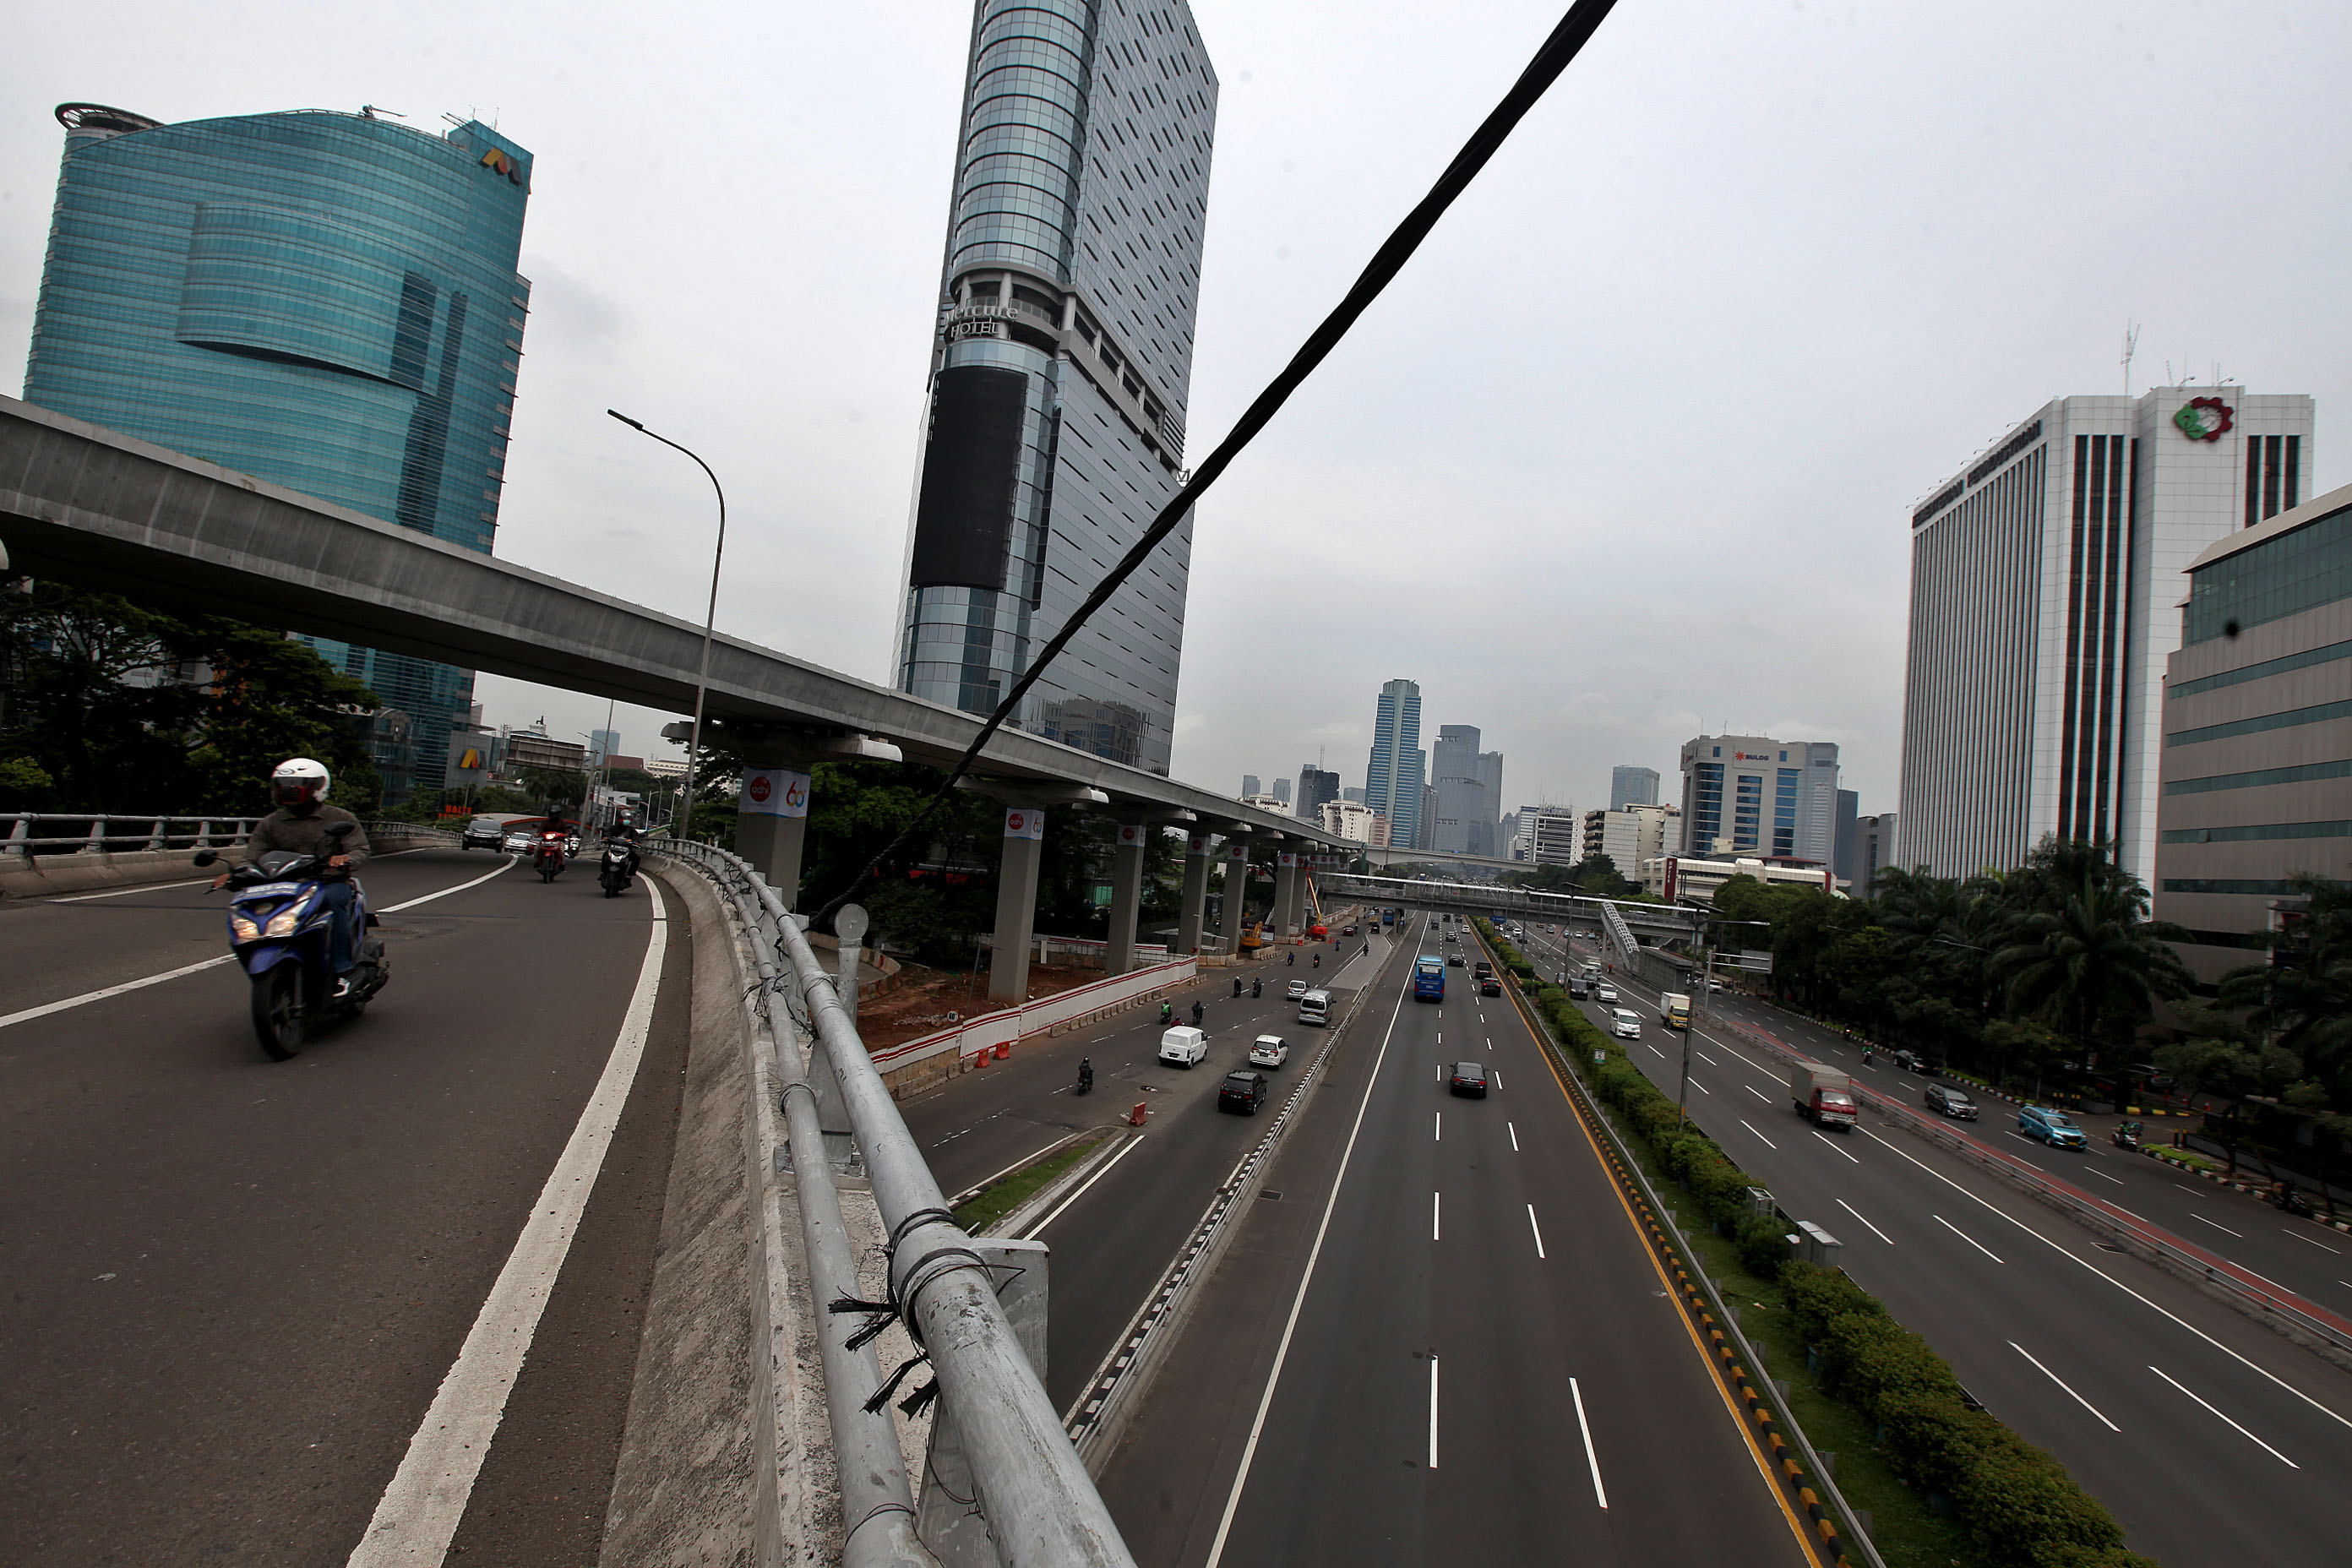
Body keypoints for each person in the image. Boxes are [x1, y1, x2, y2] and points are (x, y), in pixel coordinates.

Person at [218, 758, 369, 988]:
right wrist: (235, 875)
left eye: (298, 784)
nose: (290, 790)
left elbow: (360, 849)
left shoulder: (340, 818)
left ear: (317, 787)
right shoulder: (271, 823)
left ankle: (342, 971)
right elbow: (251, 857)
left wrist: (344, 859)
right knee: (245, 910)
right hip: (282, 885)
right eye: (284, 785)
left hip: (326, 882)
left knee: (333, 903)